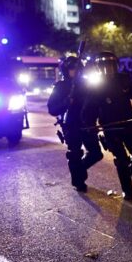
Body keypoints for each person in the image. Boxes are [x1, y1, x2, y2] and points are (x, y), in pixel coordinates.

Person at [81, 51, 132, 201]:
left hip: (128, 125)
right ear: (98, 68)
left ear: (116, 65)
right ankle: (128, 191)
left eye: (111, 65)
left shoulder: (124, 80)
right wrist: (89, 125)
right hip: (110, 128)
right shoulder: (95, 86)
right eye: (104, 65)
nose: (108, 68)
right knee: (121, 160)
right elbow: (89, 109)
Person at [47, 56, 104, 192]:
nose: (75, 71)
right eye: (72, 68)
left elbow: (98, 103)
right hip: (72, 125)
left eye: (78, 68)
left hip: (88, 124)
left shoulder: (88, 85)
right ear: (66, 70)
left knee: (96, 153)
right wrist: (67, 102)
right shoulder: (61, 87)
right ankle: (78, 181)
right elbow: (52, 109)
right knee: (74, 154)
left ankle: (79, 170)